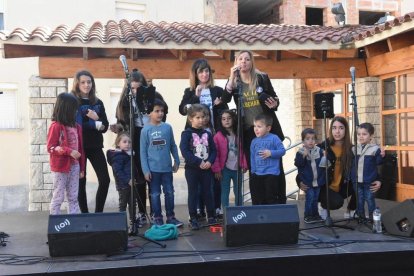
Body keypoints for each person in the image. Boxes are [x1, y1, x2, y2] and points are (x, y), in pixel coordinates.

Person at [222, 50, 286, 204]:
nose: (243, 62)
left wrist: (275, 103)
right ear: (236, 62)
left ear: (251, 63)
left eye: (247, 59)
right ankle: (258, 204)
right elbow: (225, 98)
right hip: (250, 131)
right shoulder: (234, 83)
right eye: (240, 59)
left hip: (267, 129)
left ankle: (279, 204)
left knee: (275, 166)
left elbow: (274, 97)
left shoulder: (261, 78)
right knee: (255, 169)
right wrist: (231, 77)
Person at [113, 69, 168, 227]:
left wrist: (157, 126)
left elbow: (164, 110)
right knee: (139, 176)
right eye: (132, 88)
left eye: (138, 88)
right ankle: (142, 212)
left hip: (151, 134)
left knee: (152, 173)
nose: (135, 91)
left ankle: (155, 212)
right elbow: (121, 121)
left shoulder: (154, 96)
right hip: (136, 137)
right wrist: (118, 127)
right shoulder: (125, 101)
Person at [298, 116, 382, 218]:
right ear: (330, 130)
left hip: (342, 186)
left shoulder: (352, 149)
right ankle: (323, 205)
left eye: (341, 128)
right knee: (336, 202)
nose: (337, 131)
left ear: (346, 130)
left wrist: (378, 179)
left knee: (359, 183)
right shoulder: (320, 148)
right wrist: (300, 181)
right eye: (334, 128)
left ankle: (351, 210)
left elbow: (367, 166)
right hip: (324, 187)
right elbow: (304, 167)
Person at [71, 70, 110, 213]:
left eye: (89, 82)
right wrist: (95, 125)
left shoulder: (98, 102)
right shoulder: (73, 101)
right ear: (77, 84)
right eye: (83, 82)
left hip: (95, 146)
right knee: (81, 182)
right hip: (79, 148)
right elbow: (74, 126)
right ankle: (84, 215)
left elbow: (105, 126)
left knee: (105, 180)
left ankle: (98, 213)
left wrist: (96, 119)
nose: (86, 85)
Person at [140, 99, 183, 227]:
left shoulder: (167, 127)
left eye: (162, 111)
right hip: (153, 170)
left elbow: (173, 145)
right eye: (156, 111)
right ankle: (157, 217)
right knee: (154, 194)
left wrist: (177, 160)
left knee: (169, 192)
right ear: (149, 113)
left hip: (166, 169)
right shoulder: (145, 130)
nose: (160, 114)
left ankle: (171, 217)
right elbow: (142, 152)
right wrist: (145, 170)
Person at [180, 104, 217, 230]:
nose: (201, 120)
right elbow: (185, 151)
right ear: (191, 119)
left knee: (208, 192)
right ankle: (193, 217)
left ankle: (211, 215)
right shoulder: (186, 134)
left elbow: (213, 151)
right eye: (198, 117)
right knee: (193, 193)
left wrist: (210, 162)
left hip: (206, 169)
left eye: (203, 117)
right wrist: (198, 162)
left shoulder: (207, 133)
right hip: (192, 170)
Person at [47, 93, 85, 215]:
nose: (76, 111)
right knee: (58, 197)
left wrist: (82, 168)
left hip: (75, 167)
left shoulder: (77, 127)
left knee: (73, 197)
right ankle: (54, 226)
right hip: (60, 168)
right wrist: (69, 151)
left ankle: (73, 225)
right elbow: (51, 147)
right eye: (74, 108)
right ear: (66, 109)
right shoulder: (56, 126)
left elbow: (81, 149)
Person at [212, 109, 248, 210]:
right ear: (221, 121)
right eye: (223, 119)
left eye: (229, 118)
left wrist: (244, 164)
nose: (226, 121)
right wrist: (217, 169)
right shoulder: (218, 136)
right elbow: (215, 154)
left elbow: (243, 151)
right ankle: (226, 212)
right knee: (225, 191)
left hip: (238, 168)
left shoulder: (239, 134)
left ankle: (240, 211)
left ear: (233, 119)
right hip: (224, 169)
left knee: (238, 191)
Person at [179, 58, 228, 131]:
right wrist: (196, 97)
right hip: (195, 133)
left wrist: (220, 104)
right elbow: (182, 111)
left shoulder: (218, 90)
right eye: (201, 72)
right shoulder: (189, 91)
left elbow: (226, 111)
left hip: (214, 131)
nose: (204, 74)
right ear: (195, 74)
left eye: (206, 71)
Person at [250, 114, 286, 205]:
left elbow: (282, 151)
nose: (256, 129)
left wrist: (271, 153)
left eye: (259, 126)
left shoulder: (274, 138)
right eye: (255, 126)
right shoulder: (254, 141)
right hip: (258, 174)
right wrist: (253, 171)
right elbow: (252, 156)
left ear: (268, 128)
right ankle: (262, 217)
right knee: (260, 198)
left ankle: (273, 217)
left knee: (271, 197)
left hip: (271, 174)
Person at [106, 132, 138, 233]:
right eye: (124, 142)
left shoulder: (129, 155)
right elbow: (118, 171)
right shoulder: (117, 156)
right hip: (123, 185)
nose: (127, 144)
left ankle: (133, 224)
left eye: (129, 142)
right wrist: (127, 180)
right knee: (123, 205)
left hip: (132, 184)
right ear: (118, 143)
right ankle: (122, 225)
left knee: (133, 204)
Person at [350, 122, 383, 221]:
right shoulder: (354, 149)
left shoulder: (375, 149)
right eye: (359, 134)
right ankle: (361, 217)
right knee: (359, 200)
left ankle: (373, 219)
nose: (361, 136)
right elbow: (351, 165)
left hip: (369, 181)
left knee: (369, 199)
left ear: (371, 136)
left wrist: (382, 156)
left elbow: (379, 164)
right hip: (356, 181)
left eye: (364, 134)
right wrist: (349, 177)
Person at [294, 128, 325, 224]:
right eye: (307, 139)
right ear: (303, 140)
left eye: (313, 138)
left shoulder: (319, 151)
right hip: (308, 182)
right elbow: (298, 164)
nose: (310, 141)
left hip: (318, 181)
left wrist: (325, 156)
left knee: (315, 199)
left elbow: (325, 165)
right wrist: (303, 156)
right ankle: (307, 215)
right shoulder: (300, 152)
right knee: (310, 198)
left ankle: (315, 214)